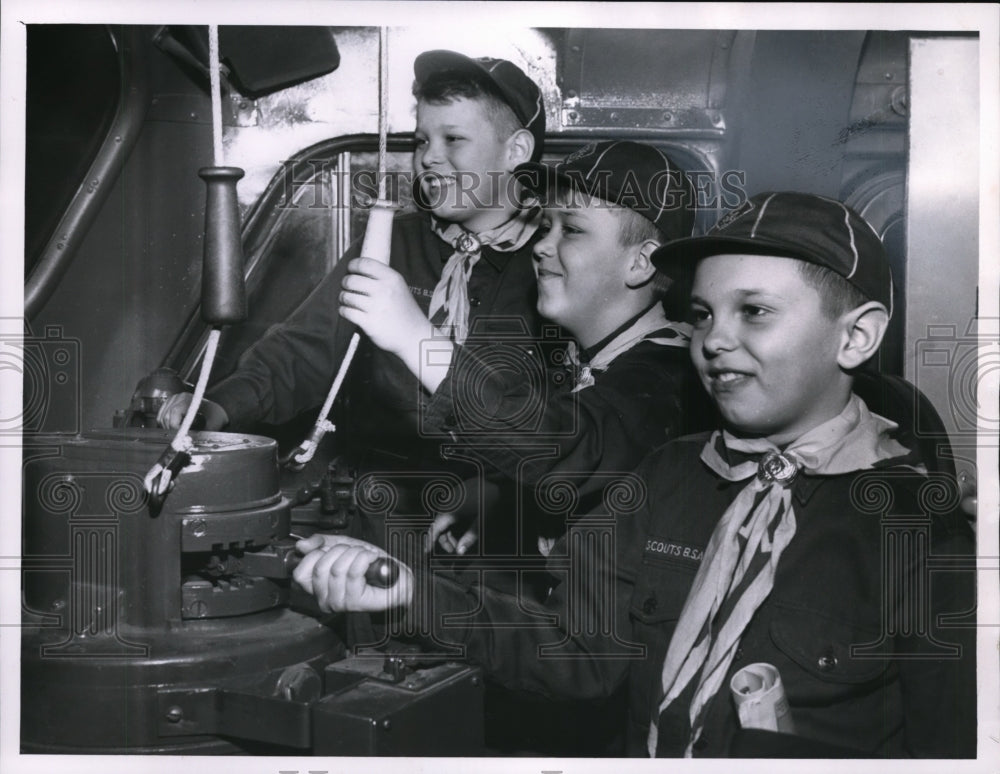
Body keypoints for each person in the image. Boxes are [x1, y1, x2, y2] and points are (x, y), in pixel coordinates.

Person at [293, 192, 976, 758]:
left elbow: (951, 747)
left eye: (756, 312)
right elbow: (578, 655)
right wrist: (411, 592)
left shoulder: (920, 526)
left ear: (855, 338)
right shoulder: (667, 477)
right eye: (704, 314)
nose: (715, 340)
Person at [158, 50, 547, 536]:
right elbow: (304, 351)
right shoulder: (391, 245)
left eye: (454, 139)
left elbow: (568, 423)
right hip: (387, 517)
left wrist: (501, 494)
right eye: (421, 139)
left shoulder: (555, 258)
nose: (428, 157)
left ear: (516, 150)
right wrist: (220, 407)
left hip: (505, 526)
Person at [339, 139, 712, 559]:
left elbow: (571, 443)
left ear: (642, 263)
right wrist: (503, 494)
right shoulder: (580, 358)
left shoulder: (671, 375)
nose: (540, 245)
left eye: (570, 229)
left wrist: (415, 338)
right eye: (545, 225)